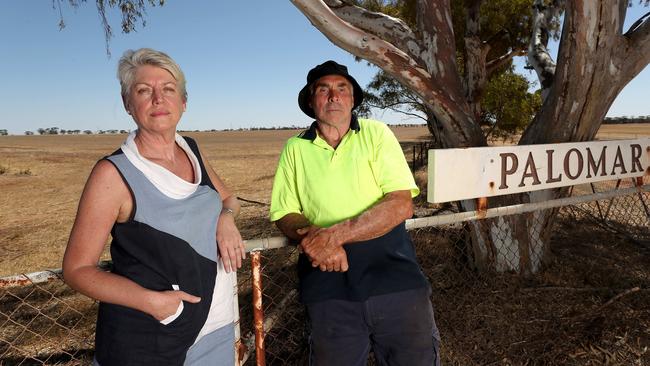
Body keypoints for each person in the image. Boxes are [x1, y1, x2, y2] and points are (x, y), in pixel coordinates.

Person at [62, 48, 245, 366]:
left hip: (214, 327)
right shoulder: (113, 174)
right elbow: (77, 270)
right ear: (128, 104)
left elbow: (228, 200)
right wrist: (153, 303)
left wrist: (225, 219)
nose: (158, 99)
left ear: (183, 102)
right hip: (148, 342)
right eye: (144, 91)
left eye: (168, 89)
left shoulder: (191, 149)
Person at [270, 60, 441, 366]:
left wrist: (334, 237)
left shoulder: (376, 134)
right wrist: (315, 240)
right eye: (323, 90)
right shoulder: (295, 148)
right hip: (328, 289)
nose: (333, 96)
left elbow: (401, 203)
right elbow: (285, 213)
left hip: (395, 282)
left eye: (341, 88)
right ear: (311, 101)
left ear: (352, 99)